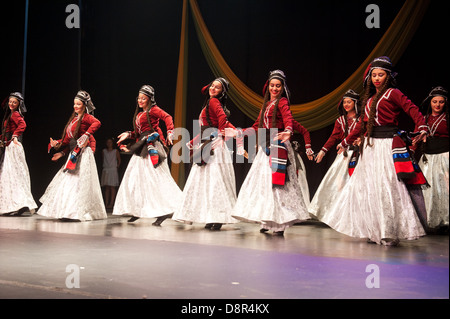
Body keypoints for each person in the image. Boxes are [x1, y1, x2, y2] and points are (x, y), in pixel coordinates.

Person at [322, 56, 428, 246]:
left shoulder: (393, 93)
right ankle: (373, 230)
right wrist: (345, 142)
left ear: (388, 76)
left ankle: (389, 230)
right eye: (374, 75)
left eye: (381, 75)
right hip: (370, 147)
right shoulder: (369, 99)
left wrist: (422, 127)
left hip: (387, 145)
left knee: (387, 186)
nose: (377, 78)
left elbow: (412, 109)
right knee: (367, 187)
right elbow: (360, 125)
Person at [232, 70, 310, 235]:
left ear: (282, 88)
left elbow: (288, 118)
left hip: (278, 144)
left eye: (278, 86)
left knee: (278, 185)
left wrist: (288, 130)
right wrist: (239, 132)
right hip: (265, 145)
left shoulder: (282, 102)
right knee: (264, 185)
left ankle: (279, 224)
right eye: (272, 86)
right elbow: (256, 126)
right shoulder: (266, 105)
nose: (274, 89)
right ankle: (267, 220)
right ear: (268, 87)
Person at [172, 77, 241, 230]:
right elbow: (209, 127)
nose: (213, 89)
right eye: (212, 86)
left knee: (213, 181)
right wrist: (191, 143)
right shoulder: (211, 104)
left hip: (213, 144)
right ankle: (214, 216)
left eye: (217, 88)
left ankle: (216, 217)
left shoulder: (213, 102)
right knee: (213, 182)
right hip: (210, 141)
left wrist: (224, 132)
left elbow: (222, 119)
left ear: (221, 92)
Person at [114, 85, 182, 225]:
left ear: (150, 99)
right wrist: (129, 134)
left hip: (151, 147)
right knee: (135, 179)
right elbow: (139, 133)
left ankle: (165, 211)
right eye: (139, 98)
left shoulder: (154, 110)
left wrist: (170, 132)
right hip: (142, 146)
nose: (140, 100)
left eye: (143, 98)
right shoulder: (139, 114)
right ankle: (137, 210)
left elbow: (167, 117)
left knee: (155, 179)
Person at [38, 90, 107, 221]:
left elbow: (97, 123)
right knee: (68, 181)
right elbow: (67, 140)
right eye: (74, 104)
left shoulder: (86, 117)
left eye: (78, 104)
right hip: (73, 152)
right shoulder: (73, 119)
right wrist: (58, 146)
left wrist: (87, 134)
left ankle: (75, 212)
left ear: (84, 106)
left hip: (83, 154)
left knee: (78, 182)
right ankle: (66, 211)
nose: (75, 106)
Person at [309, 89, 361, 220]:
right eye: (344, 102)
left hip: (360, 155)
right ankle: (338, 215)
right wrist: (323, 151)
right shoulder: (340, 121)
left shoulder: (362, 120)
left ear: (355, 103)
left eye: (349, 102)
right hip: (344, 155)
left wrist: (362, 140)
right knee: (339, 184)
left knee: (356, 184)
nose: (346, 104)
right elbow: (332, 138)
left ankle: (355, 215)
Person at [416, 86, 449, 233]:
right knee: (426, 191)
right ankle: (428, 221)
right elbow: (416, 138)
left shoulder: (447, 118)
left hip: (444, 157)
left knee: (444, 190)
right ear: (430, 102)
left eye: (441, 102)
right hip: (428, 158)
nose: (437, 105)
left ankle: (445, 222)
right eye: (435, 101)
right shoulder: (424, 119)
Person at [0, 92, 37, 216]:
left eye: (14, 102)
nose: (11, 104)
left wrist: (15, 135)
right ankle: (16, 203)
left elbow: (22, 124)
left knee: (13, 174)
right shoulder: (10, 114)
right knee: (12, 175)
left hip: (12, 146)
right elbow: (6, 131)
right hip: (9, 145)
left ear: (18, 104)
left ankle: (17, 203)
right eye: (10, 102)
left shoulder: (15, 114)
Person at [101, 137, 121, 210]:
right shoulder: (104, 151)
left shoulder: (115, 151)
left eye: (110, 142)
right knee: (106, 187)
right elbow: (103, 159)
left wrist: (116, 167)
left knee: (112, 187)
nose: (109, 144)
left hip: (113, 169)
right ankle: (106, 203)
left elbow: (119, 160)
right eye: (108, 142)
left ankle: (111, 203)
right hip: (106, 169)